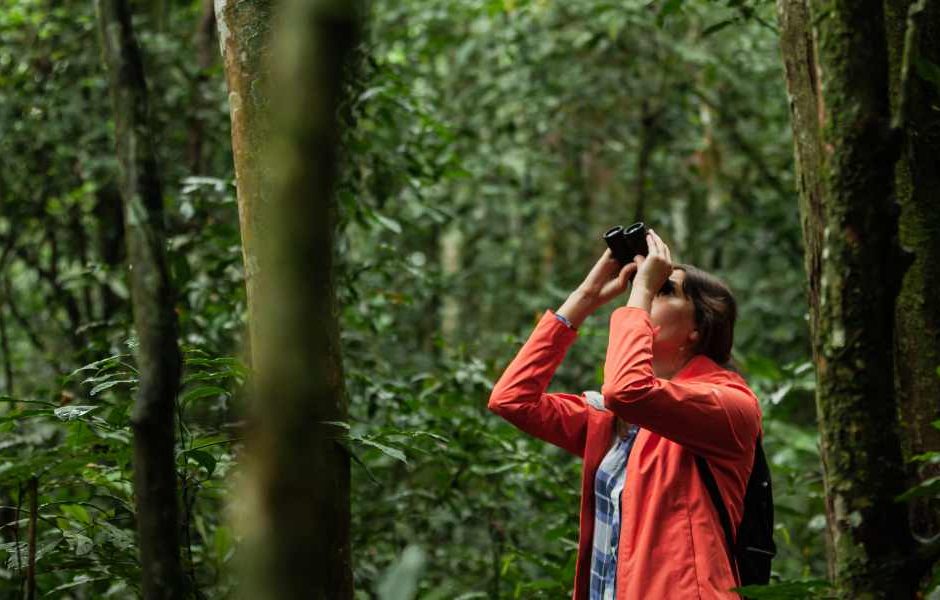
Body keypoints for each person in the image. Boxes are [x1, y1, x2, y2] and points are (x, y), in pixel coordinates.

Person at [488, 229, 762, 600]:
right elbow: (512, 400)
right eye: (648, 288)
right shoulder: (616, 420)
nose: (645, 295)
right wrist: (585, 298)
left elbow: (627, 390)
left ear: (699, 327)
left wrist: (640, 294)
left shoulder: (729, 404)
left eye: (665, 291)